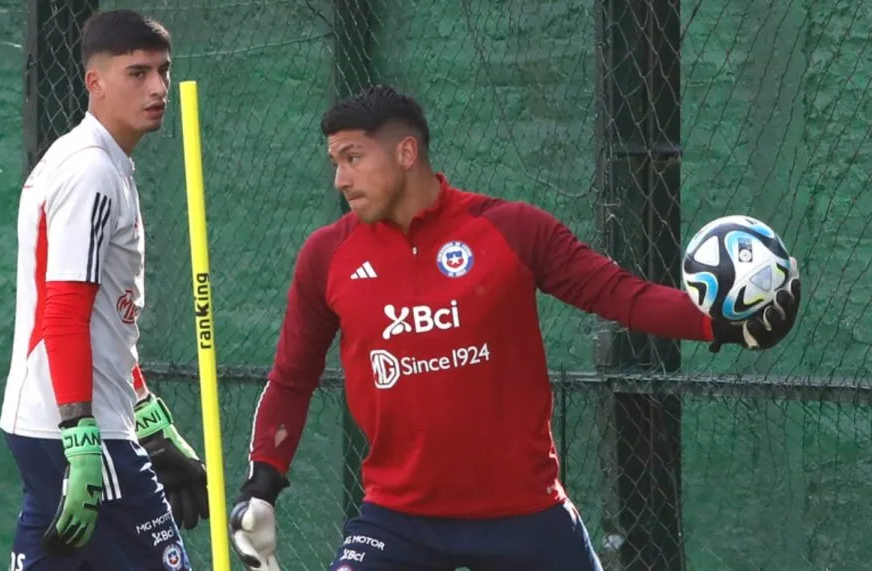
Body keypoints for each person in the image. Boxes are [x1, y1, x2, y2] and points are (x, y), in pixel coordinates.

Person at [227, 85, 801, 571]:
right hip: (398, 516)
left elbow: (619, 294)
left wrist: (721, 326)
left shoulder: (511, 230)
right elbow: (292, 378)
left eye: (352, 158)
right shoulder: (326, 256)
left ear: (406, 152)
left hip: (525, 514)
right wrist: (263, 484)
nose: (339, 179)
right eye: (335, 161)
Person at [0, 9, 208, 570]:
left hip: (57, 423)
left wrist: (147, 412)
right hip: (81, 432)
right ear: (95, 82)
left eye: (163, 71)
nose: (159, 87)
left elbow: (107, 321)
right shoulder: (91, 169)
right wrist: (83, 438)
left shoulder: (101, 162)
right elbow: (64, 312)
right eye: (137, 73)